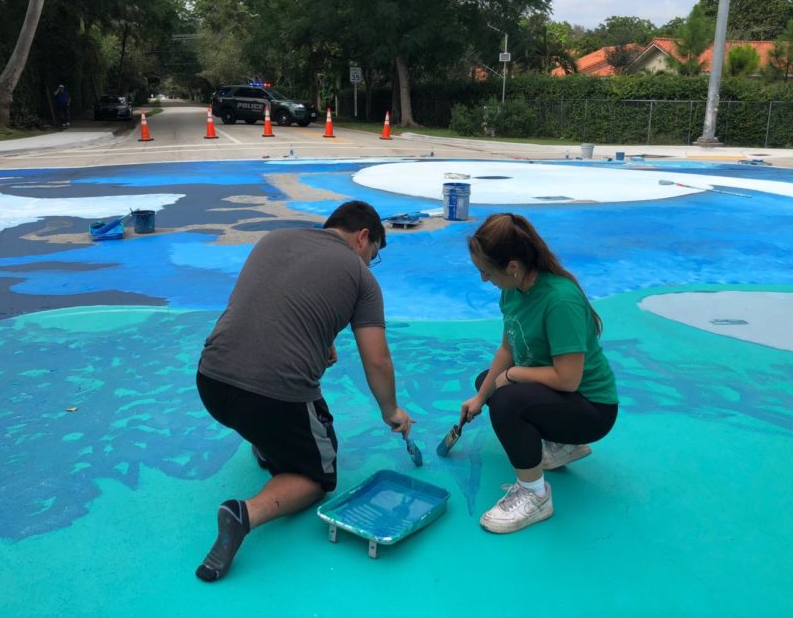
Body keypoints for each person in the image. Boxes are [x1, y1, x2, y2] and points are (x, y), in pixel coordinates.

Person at [194, 200, 414, 581]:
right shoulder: (362, 280)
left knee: (259, 409)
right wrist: (390, 410)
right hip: (270, 395)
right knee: (320, 476)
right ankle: (244, 514)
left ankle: (266, 444)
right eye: (373, 254)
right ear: (363, 237)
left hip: (212, 380)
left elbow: (264, 306)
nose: (369, 263)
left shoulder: (274, 239)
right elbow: (376, 360)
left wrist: (320, 337)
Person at [460, 213, 618, 534]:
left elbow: (568, 379)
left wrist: (513, 376)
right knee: (488, 384)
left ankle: (535, 494)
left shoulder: (559, 300)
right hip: (563, 397)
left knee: (507, 401)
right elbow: (507, 348)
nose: (484, 280)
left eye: (487, 272)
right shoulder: (513, 290)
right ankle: (561, 445)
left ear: (513, 266)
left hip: (592, 408)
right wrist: (480, 397)